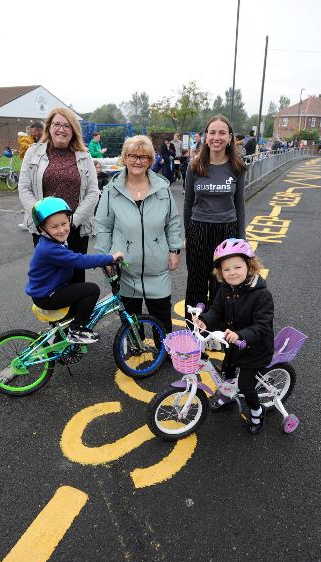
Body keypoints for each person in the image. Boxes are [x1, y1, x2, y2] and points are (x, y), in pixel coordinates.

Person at [95, 135, 182, 333]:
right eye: (132, 156)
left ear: (150, 160)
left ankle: (165, 349)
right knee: (131, 322)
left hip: (157, 267)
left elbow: (173, 221)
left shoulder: (162, 188)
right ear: (124, 158)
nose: (137, 161)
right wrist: (104, 258)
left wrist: (174, 250)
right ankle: (135, 350)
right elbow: (103, 225)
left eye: (143, 157)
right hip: (125, 268)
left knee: (161, 318)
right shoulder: (111, 190)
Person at [192, 238, 274, 435]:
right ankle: (228, 395)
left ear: (250, 266)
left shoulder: (261, 295)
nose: (232, 272)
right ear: (220, 273)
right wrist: (204, 320)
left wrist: (240, 334)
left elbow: (263, 326)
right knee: (227, 370)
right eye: (226, 269)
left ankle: (257, 410)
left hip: (255, 348)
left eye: (237, 267)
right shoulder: (225, 289)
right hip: (233, 343)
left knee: (246, 385)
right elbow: (216, 311)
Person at [26, 196, 124, 344]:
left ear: (69, 221)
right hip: (47, 296)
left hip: (50, 291)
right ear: (43, 229)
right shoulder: (49, 249)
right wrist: (109, 258)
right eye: (54, 227)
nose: (61, 230)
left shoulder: (51, 242)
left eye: (64, 223)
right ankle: (76, 330)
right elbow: (79, 260)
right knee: (91, 290)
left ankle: (60, 342)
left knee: (79, 302)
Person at [18, 106, 99, 283]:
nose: (61, 129)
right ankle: (51, 311)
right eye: (57, 124)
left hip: (75, 229)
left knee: (76, 280)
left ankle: (77, 312)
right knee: (49, 281)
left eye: (67, 125)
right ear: (49, 127)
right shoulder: (33, 152)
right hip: (44, 230)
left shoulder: (84, 155)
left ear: (74, 130)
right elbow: (24, 188)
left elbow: (93, 192)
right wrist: (42, 219)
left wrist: (72, 221)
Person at [184, 114, 246, 323]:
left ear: (230, 138)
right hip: (198, 229)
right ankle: (193, 333)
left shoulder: (237, 167)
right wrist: (187, 235)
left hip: (227, 231)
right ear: (205, 136)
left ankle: (217, 331)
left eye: (222, 133)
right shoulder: (194, 166)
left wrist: (240, 240)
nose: (216, 137)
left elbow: (239, 206)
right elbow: (187, 204)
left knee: (222, 284)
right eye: (212, 132)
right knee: (196, 283)